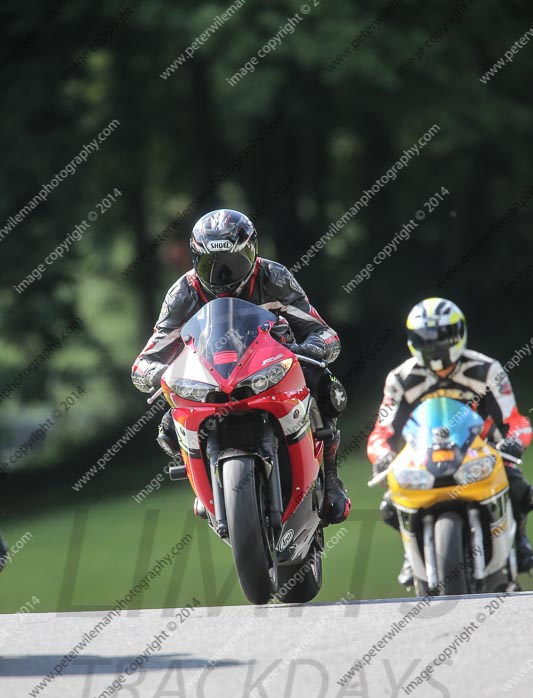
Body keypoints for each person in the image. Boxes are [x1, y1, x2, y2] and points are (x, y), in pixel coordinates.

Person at [131, 208, 351, 524]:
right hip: (209, 378)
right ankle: (204, 489)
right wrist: (159, 374)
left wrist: (305, 351)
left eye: (234, 263)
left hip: (268, 368)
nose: (224, 275)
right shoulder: (183, 293)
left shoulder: (273, 277)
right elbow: (144, 361)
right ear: (195, 261)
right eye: (212, 264)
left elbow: (323, 332)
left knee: (326, 388)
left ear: (253, 253)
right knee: (167, 427)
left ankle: (331, 479)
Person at [367, 297, 533, 585]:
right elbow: (383, 430)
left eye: (442, 337)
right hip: (423, 456)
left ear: (459, 334)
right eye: (425, 338)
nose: (435, 346)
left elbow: (514, 420)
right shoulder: (400, 378)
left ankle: (519, 542)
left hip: (482, 453)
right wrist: (382, 455)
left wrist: (514, 443)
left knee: (519, 488)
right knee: (389, 505)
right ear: (412, 340)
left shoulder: (487, 370)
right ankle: (411, 555)